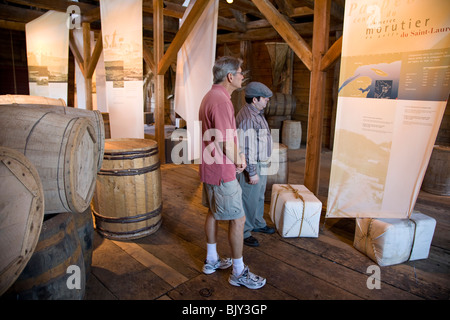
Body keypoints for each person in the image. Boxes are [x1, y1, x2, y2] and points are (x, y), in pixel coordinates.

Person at [198, 56, 266, 289]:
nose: (242, 76)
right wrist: (240, 161)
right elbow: (226, 141)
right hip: (222, 170)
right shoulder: (221, 101)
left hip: (210, 167)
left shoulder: (211, 96)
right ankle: (238, 272)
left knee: (213, 212)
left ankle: (212, 259)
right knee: (239, 219)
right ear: (229, 77)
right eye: (239, 72)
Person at [236, 82, 275, 247]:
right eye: (264, 98)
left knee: (258, 196)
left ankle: (258, 223)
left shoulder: (257, 112)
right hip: (252, 165)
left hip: (260, 162)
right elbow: (245, 149)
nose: (267, 100)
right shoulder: (247, 118)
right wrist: (251, 172)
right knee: (248, 199)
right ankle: (244, 232)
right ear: (254, 100)